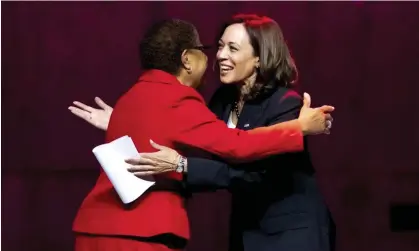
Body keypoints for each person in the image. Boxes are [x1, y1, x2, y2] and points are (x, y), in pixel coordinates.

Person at [70, 17, 334, 251]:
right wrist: (133, 123)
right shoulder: (221, 101)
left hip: (292, 233)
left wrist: (297, 127)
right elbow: (201, 140)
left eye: (232, 48)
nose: (219, 55)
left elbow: (254, 172)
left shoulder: (286, 103)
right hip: (246, 233)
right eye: (219, 46)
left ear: (259, 58)